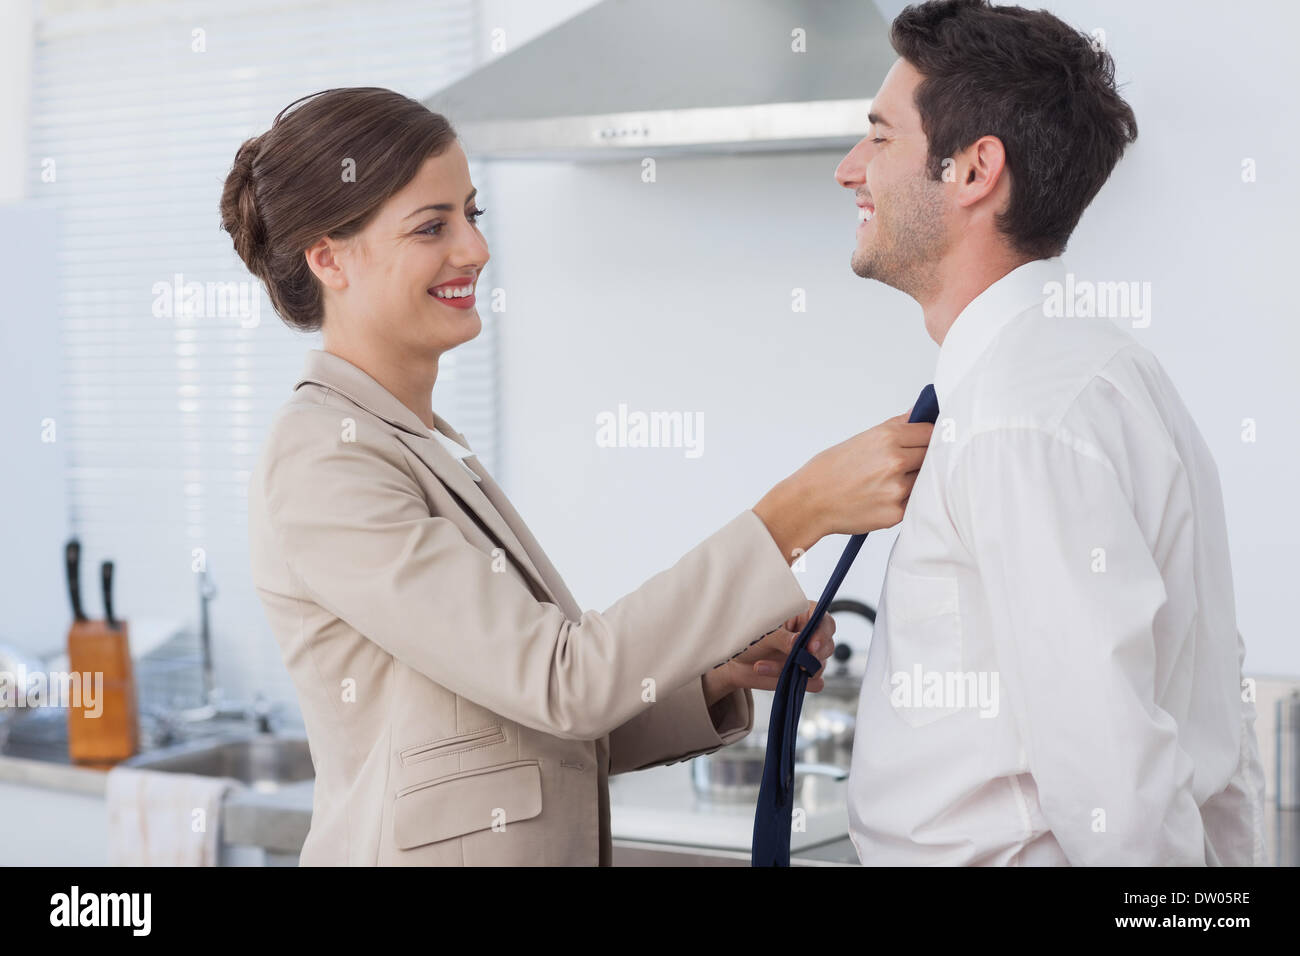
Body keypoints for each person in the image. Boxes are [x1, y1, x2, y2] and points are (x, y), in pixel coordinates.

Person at [225, 87, 934, 865]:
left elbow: (528, 727)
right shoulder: (327, 458)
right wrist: (796, 513)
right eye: (433, 226)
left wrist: (711, 675)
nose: (474, 249)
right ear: (330, 258)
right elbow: (564, 680)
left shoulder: (421, 443)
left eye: (472, 214)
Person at [835, 0, 1265, 865]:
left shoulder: (1016, 420)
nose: (851, 170)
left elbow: (1115, 784)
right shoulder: (1095, 376)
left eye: (880, 138)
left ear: (973, 171)